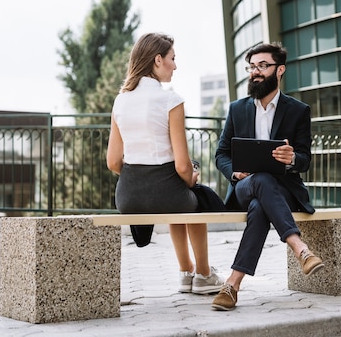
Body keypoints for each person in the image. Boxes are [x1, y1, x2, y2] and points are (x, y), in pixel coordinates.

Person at [106, 32, 224, 295]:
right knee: (191, 199)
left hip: (127, 198)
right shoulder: (171, 100)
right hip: (166, 194)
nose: (175, 65)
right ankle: (203, 274)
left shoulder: (120, 101)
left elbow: (113, 161)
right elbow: (182, 165)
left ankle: (185, 272)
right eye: (172, 58)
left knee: (178, 199)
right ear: (158, 60)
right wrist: (190, 178)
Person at [212, 42, 323, 311]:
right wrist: (235, 171)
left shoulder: (298, 111)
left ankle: (232, 284)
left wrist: (293, 158)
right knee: (260, 181)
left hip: (282, 189)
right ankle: (299, 247)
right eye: (252, 67)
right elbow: (221, 154)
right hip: (244, 186)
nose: (256, 72)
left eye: (263, 66)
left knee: (261, 204)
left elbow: (305, 159)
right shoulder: (237, 109)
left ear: (279, 70)